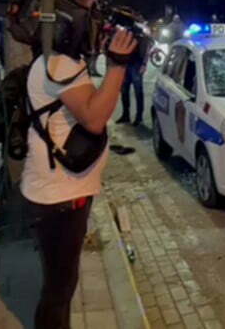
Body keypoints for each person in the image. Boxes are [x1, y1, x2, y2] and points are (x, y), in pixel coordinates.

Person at [22, 19, 138, 328]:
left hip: (61, 190)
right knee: (59, 288)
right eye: (93, 18)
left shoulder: (57, 59)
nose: (98, 28)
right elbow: (95, 118)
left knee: (61, 283)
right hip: (59, 194)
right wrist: (117, 65)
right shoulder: (59, 63)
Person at [116, 45, 147, 127]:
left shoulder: (140, 37)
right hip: (126, 64)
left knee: (138, 92)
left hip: (136, 65)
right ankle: (126, 115)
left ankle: (139, 117)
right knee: (124, 91)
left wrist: (144, 64)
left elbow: (146, 48)